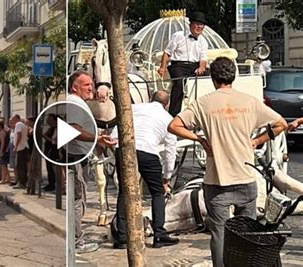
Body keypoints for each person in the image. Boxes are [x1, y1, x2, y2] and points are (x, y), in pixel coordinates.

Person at [168, 57, 287, 267]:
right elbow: (281, 123)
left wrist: (200, 139)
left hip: (216, 180)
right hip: (245, 177)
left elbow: (174, 125)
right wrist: (256, 141)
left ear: (213, 79)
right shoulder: (249, 102)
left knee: (219, 233)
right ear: (235, 76)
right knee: (245, 234)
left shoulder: (203, 103)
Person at [111, 91, 179, 249]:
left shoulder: (134, 108)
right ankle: (159, 235)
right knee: (157, 192)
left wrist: (116, 145)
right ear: (166, 105)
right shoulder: (168, 118)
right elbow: (170, 151)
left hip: (124, 148)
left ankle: (121, 237)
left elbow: (117, 128)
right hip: (148, 152)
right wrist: (167, 178)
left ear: (150, 99)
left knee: (124, 191)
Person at [67, 70, 117, 254]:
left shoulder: (78, 103)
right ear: (75, 87)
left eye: (91, 84)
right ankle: (76, 242)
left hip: (78, 156)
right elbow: (73, 129)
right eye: (86, 84)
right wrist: (98, 139)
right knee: (78, 200)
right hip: (75, 158)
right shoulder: (75, 103)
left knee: (78, 199)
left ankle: (75, 239)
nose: (91, 88)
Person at [158, 11, 209, 117]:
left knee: (210, 77)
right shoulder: (178, 36)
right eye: (197, 24)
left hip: (194, 66)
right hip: (178, 65)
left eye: (202, 25)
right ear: (190, 24)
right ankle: (173, 113)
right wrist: (162, 67)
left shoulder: (203, 41)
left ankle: (205, 110)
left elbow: (203, 59)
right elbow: (167, 53)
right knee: (179, 83)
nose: (200, 27)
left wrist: (201, 67)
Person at [11, 114, 30, 189]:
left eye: (13, 118)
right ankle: (23, 182)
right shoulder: (24, 125)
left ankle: (21, 183)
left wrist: (15, 146)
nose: (12, 120)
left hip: (21, 147)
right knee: (23, 166)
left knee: (19, 166)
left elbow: (19, 135)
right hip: (24, 146)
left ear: (16, 118)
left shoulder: (18, 124)